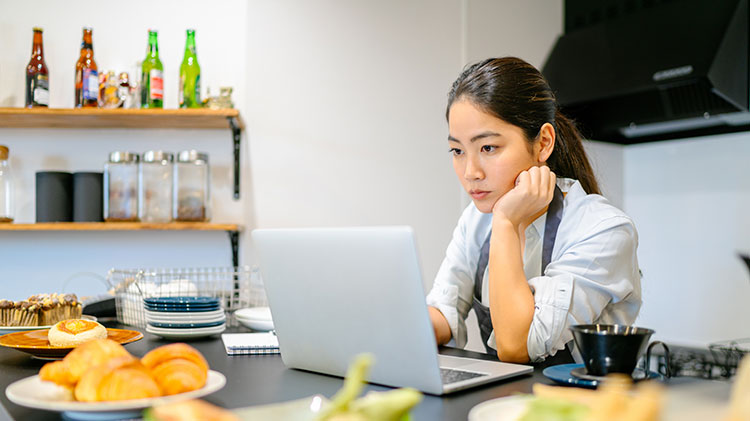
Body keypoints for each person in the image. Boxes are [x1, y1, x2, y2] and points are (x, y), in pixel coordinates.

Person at [426, 57, 641, 365]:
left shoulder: (603, 229)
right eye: (458, 151)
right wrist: (384, 325)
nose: (470, 171)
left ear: (543, 143)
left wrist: (505, 222)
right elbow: (444, 313)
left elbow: (516, 347)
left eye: (488, 148)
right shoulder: (474, 221)